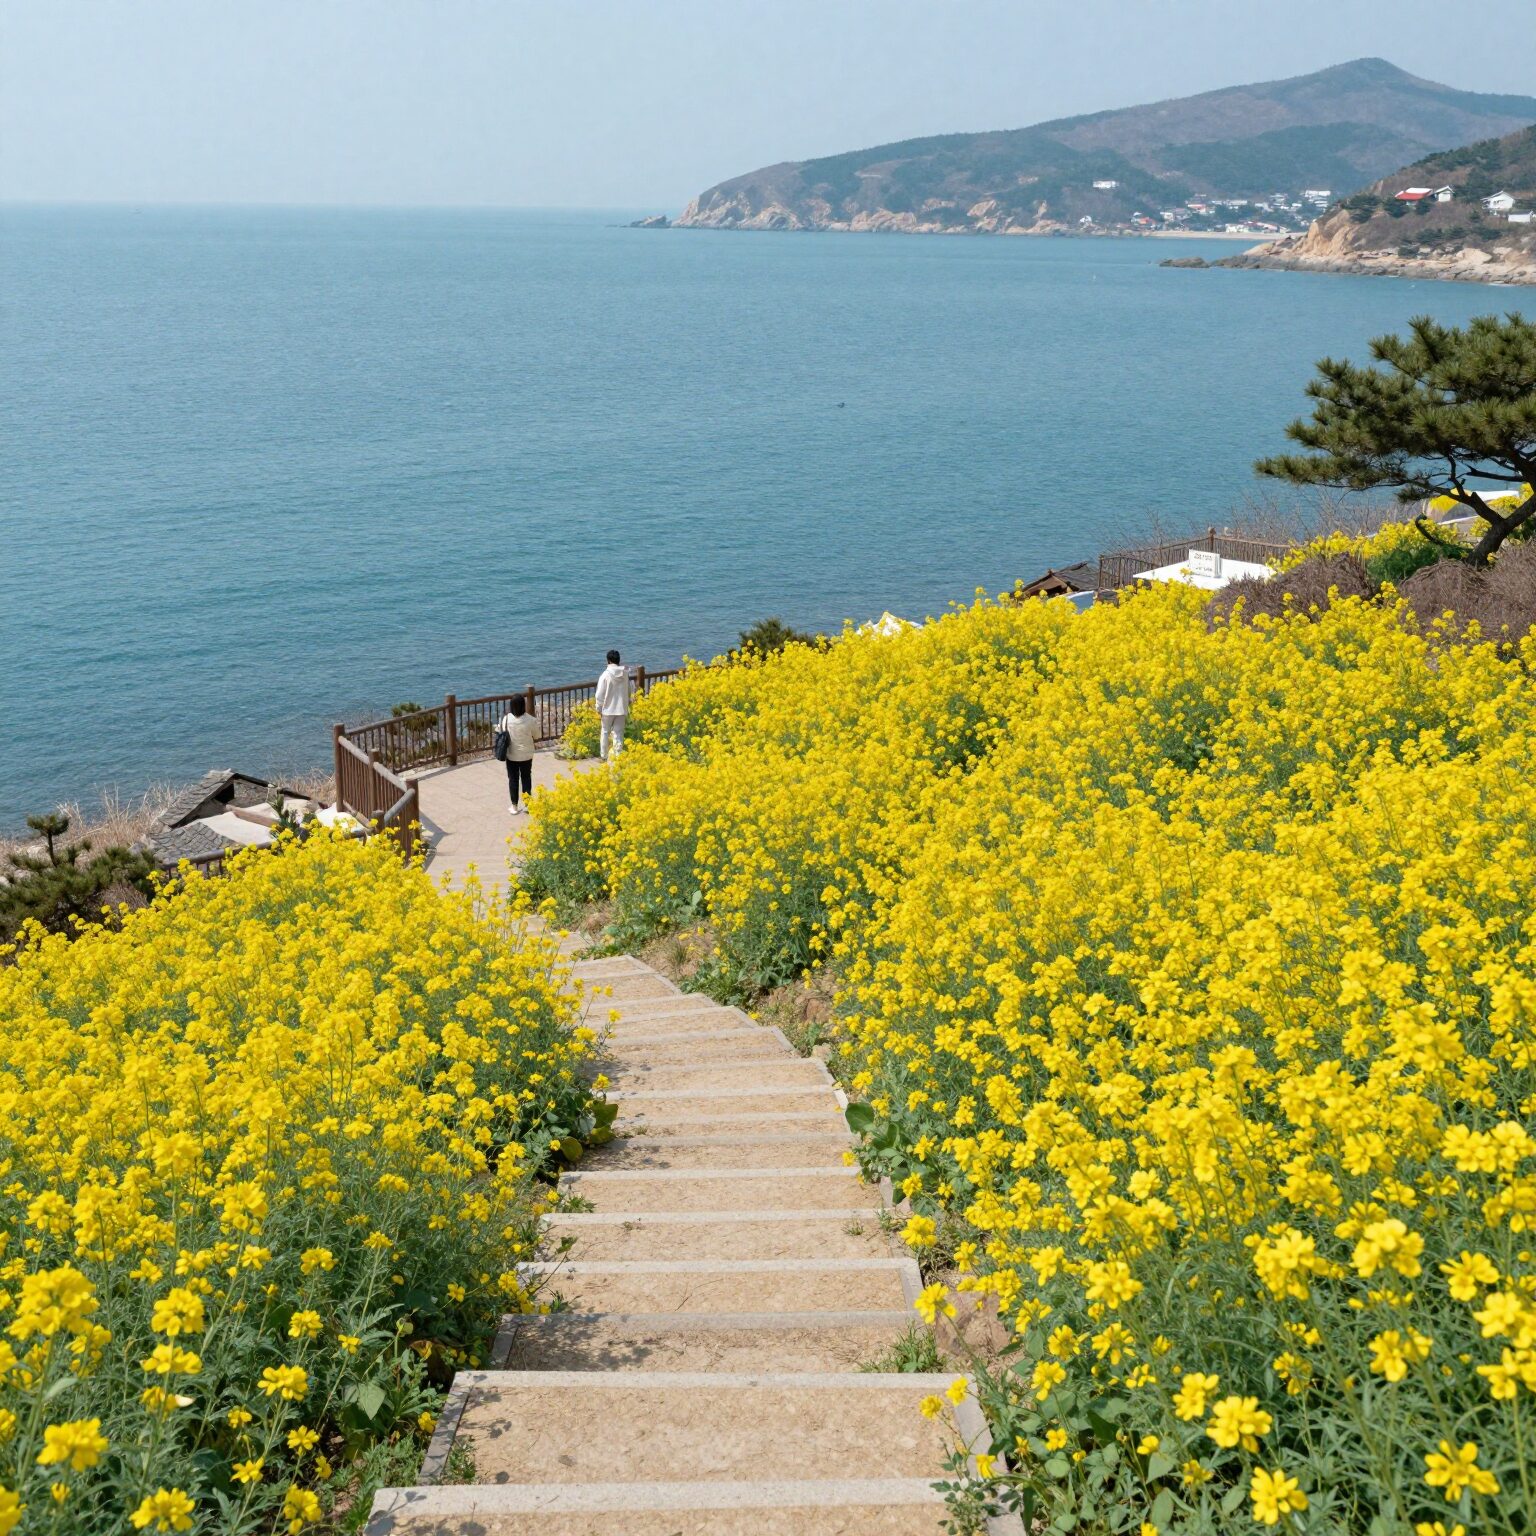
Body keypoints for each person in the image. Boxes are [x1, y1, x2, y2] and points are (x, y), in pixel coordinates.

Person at [496, 695, 538, 813]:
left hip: (512, 754)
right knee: (526, 778)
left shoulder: (507, 719)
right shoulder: (531, 719)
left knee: (513, 779)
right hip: (527, 754)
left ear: (511, 706)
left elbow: (501, 732)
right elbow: (537, 735)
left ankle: (514, 806)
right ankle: (528, 805)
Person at [593, 648, 632, 760]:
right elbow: (629, 690)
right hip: (621, 708)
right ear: (618, 660)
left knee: (605, 732)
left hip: (607, 709)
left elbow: (599, 694)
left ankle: (604, 756)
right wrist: (628, 702)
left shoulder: (605, 675)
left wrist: (598, 708)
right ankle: (617, 756)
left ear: (608, 661)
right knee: (618, 734)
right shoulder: (625, 674)